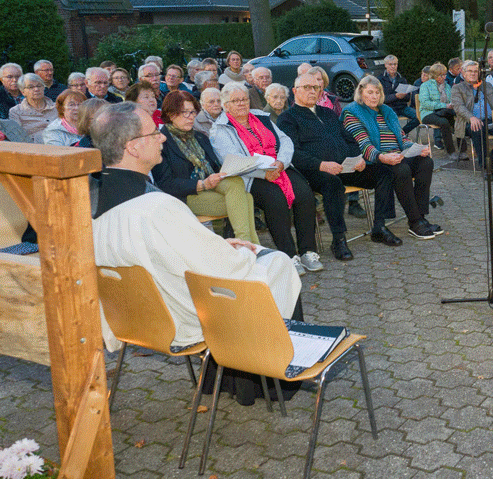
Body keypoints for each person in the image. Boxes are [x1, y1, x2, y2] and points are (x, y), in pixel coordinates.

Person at [90, 101, 302, 406]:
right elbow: (225, 270)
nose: (163, 137)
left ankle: (225, 377)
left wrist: (214, 244)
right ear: (134, 147)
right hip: (183, 319)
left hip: (136, 317)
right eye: (154, 132)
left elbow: (166, 254)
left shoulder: (93, 203)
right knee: (277, 263)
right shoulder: (157, 207)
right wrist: (249, 250)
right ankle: (266, 378)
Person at [279, 72, 407, 257]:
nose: (312, 91)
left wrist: (358, 158)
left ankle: (379, 227)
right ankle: (338, 239)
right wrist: (322, 165)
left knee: (383, 172)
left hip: (344, 166)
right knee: (333, 184)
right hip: (313, 170)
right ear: (295, 91)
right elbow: (293, 153)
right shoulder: (288, 118)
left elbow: (350, 140)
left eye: (316, 87)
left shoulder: (328, 113)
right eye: (307, 87)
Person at [210, 82, 321, 273]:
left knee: (305, 195)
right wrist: (264, 172)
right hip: (251, 176)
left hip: (279, 168)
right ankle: (288, 255)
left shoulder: (261, 117)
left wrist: (280, 163)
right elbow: (232, 160)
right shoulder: (220, 129)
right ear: (225, 105)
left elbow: (285, 141)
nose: (241, 104)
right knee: (275, 200)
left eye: (244, 99)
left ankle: (308, 251)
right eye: (235, 101)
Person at [151, 90, 261, 247]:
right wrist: (202, 185)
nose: (191, 117)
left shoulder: (200, 137)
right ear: (170, 114)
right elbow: (166, 184)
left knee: (237, 184)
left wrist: (232, 169)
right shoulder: (162, 142)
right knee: (245, 199)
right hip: (186, 196)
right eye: (185, 113)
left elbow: (215, 167)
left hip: (212, 186)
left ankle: (246, 245)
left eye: (193, 112)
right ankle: (249, 245)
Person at [343, 75, 441, 240]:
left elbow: (402, 139)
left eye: (377, 92)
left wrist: (417, 149)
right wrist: (382, 157)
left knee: (426, 162)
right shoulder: (352, 112)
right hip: (374, 161)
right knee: (400, 169)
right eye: (370, 92)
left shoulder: (387, 111)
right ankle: (415, 221)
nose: (374, 96)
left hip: (397, 155)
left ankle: (421, 216)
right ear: (361, 92)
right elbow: (363, 145)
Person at [451, 60, 493, 166]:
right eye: (470, 71)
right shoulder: (457, 88)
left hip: (491, 120)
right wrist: (471, 118)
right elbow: (458, 107)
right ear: (463, 73)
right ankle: (485, 165)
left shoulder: (487, 86)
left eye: (476, 71)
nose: (473, 73)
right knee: (478, 128)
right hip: (468, 122)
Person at [420, 63, 459, 155]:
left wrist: (452, 104)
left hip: (444, 112)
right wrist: (444, 105)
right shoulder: (425, 86)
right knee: (444, 122)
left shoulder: (447, 86)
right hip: (428, 113)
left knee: (458, 121)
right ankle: (451, 152)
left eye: (445, 75)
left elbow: (451, 100)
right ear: (434, 75)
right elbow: (425, 103)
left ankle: (463, 150)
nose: (444, 77)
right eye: (441, 75)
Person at [9, 73, 57, 142]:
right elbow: (17, 138)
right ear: (23, 92)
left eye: (39, 86)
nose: (36, 89)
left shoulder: (57, 107)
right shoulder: (16, 112)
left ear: (43, 88)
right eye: (31, 87)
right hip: (34, 149)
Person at [380, 54, 420, 134]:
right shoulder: (380, 79)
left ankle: (402, 133)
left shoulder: (402, 79)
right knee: (390, 120)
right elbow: (382, 99)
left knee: (419, 117)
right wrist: (396, 96)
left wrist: (404, 95)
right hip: (388, 107)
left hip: (402, 107)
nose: (393, 66)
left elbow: (408, 98)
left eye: (395, 64)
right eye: (390, 64)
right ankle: (395, 136)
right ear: (385, 65)